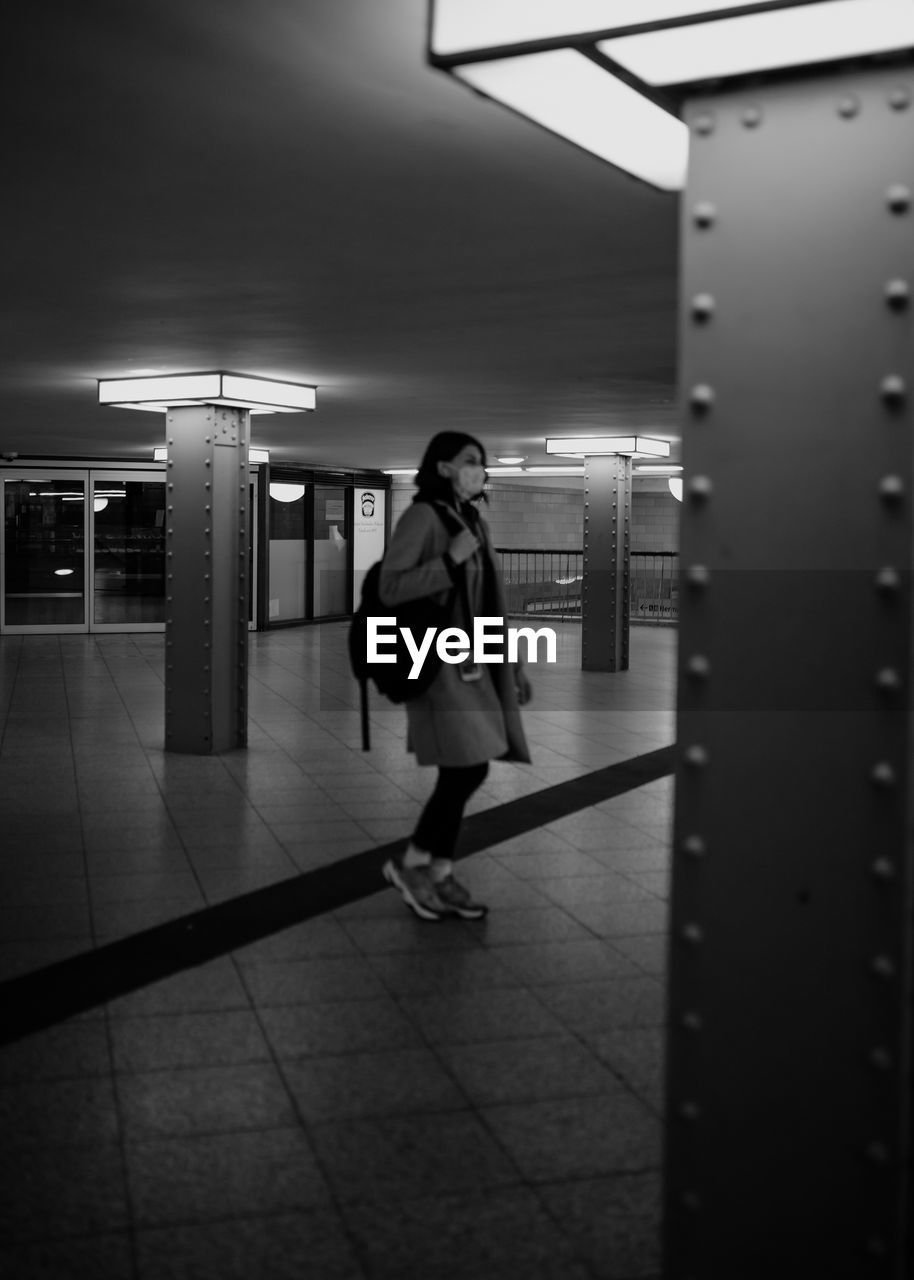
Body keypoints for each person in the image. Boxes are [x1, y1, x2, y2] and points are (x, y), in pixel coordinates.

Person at [379, 431, 532, 921]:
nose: (479, 470)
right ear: (443, 467)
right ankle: (415, 865)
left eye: (481, 463)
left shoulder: (472, 521)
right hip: (438, 660)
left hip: (475, 664)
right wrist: (449, 561)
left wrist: (512, 663)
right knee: (468, 766)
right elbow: (391, 588)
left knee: (468, 766)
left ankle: (438, 871)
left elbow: (490, 604)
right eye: (469, 461)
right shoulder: (422, 517)